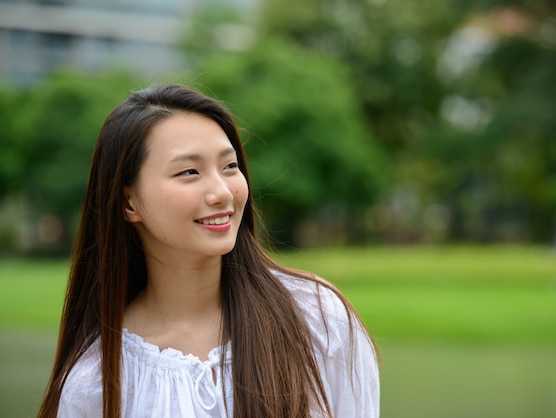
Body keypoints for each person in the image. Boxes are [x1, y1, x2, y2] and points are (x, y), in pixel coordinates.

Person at [37, 84, 379, 418]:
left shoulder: (318, 320)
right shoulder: (96, 382)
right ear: (129, 202)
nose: (222, 192)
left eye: (230, 166)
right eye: (189, 172)